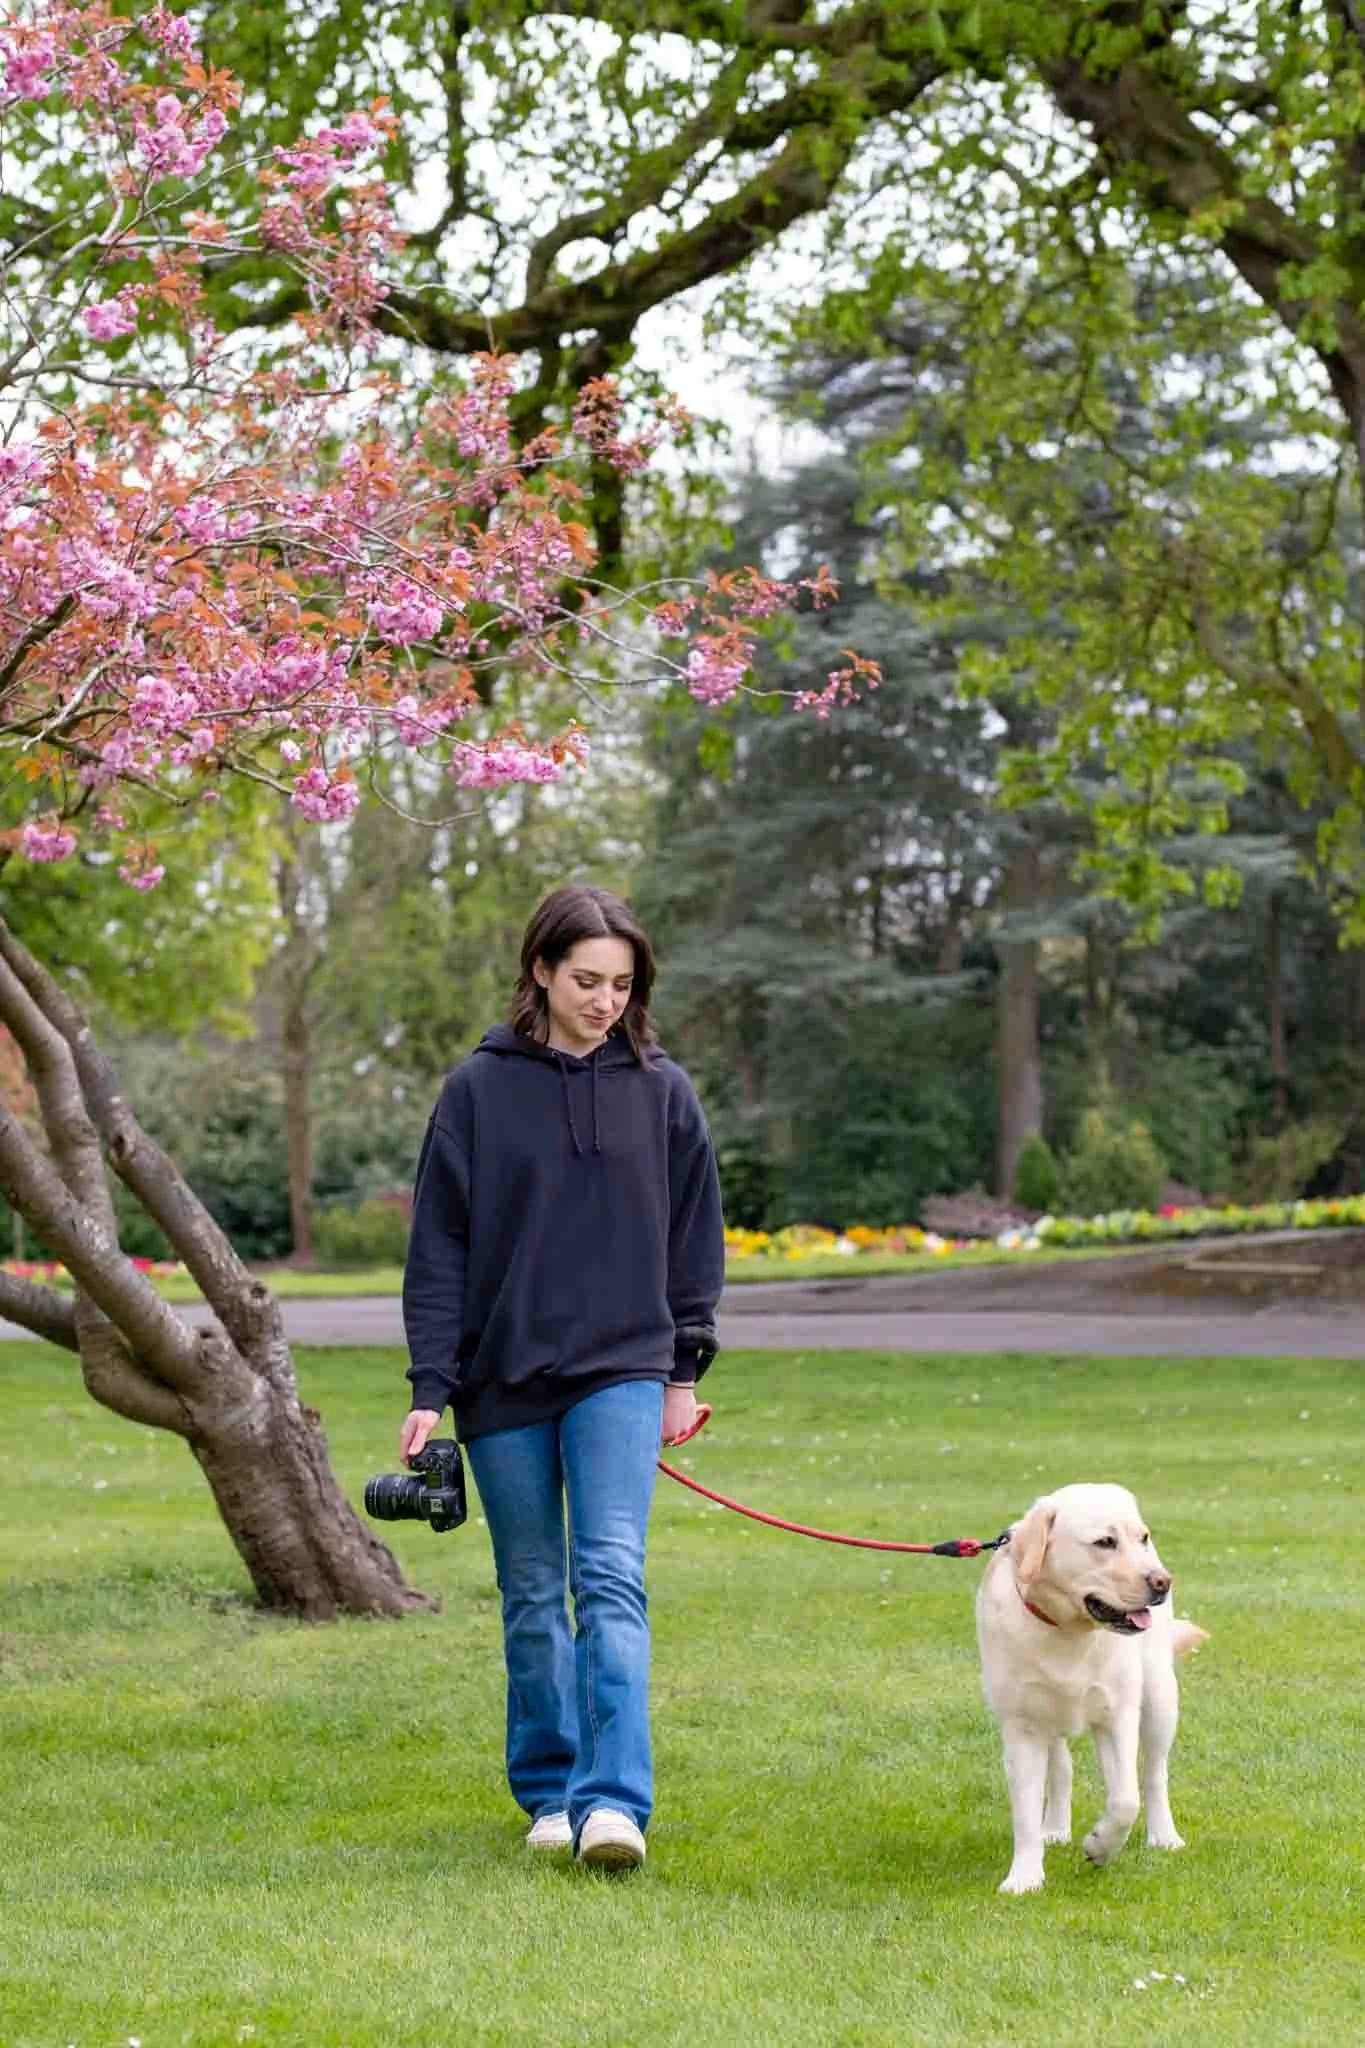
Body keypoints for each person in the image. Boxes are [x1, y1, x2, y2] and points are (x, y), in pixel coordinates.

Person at [398, 882, 725, 1872]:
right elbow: (439, 1245)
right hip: (502, 1377)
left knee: (610, 1575)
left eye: (623, 983)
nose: (605, 1000)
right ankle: (549, 1787)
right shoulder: (476, 1090)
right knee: (534, 1589)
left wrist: (682, 1370)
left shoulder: (663, 1092)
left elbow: (692, 1238)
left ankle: (616, 1801)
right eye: (586, 979)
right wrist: (428, 1384)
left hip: (623, 1366)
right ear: (541, 970)